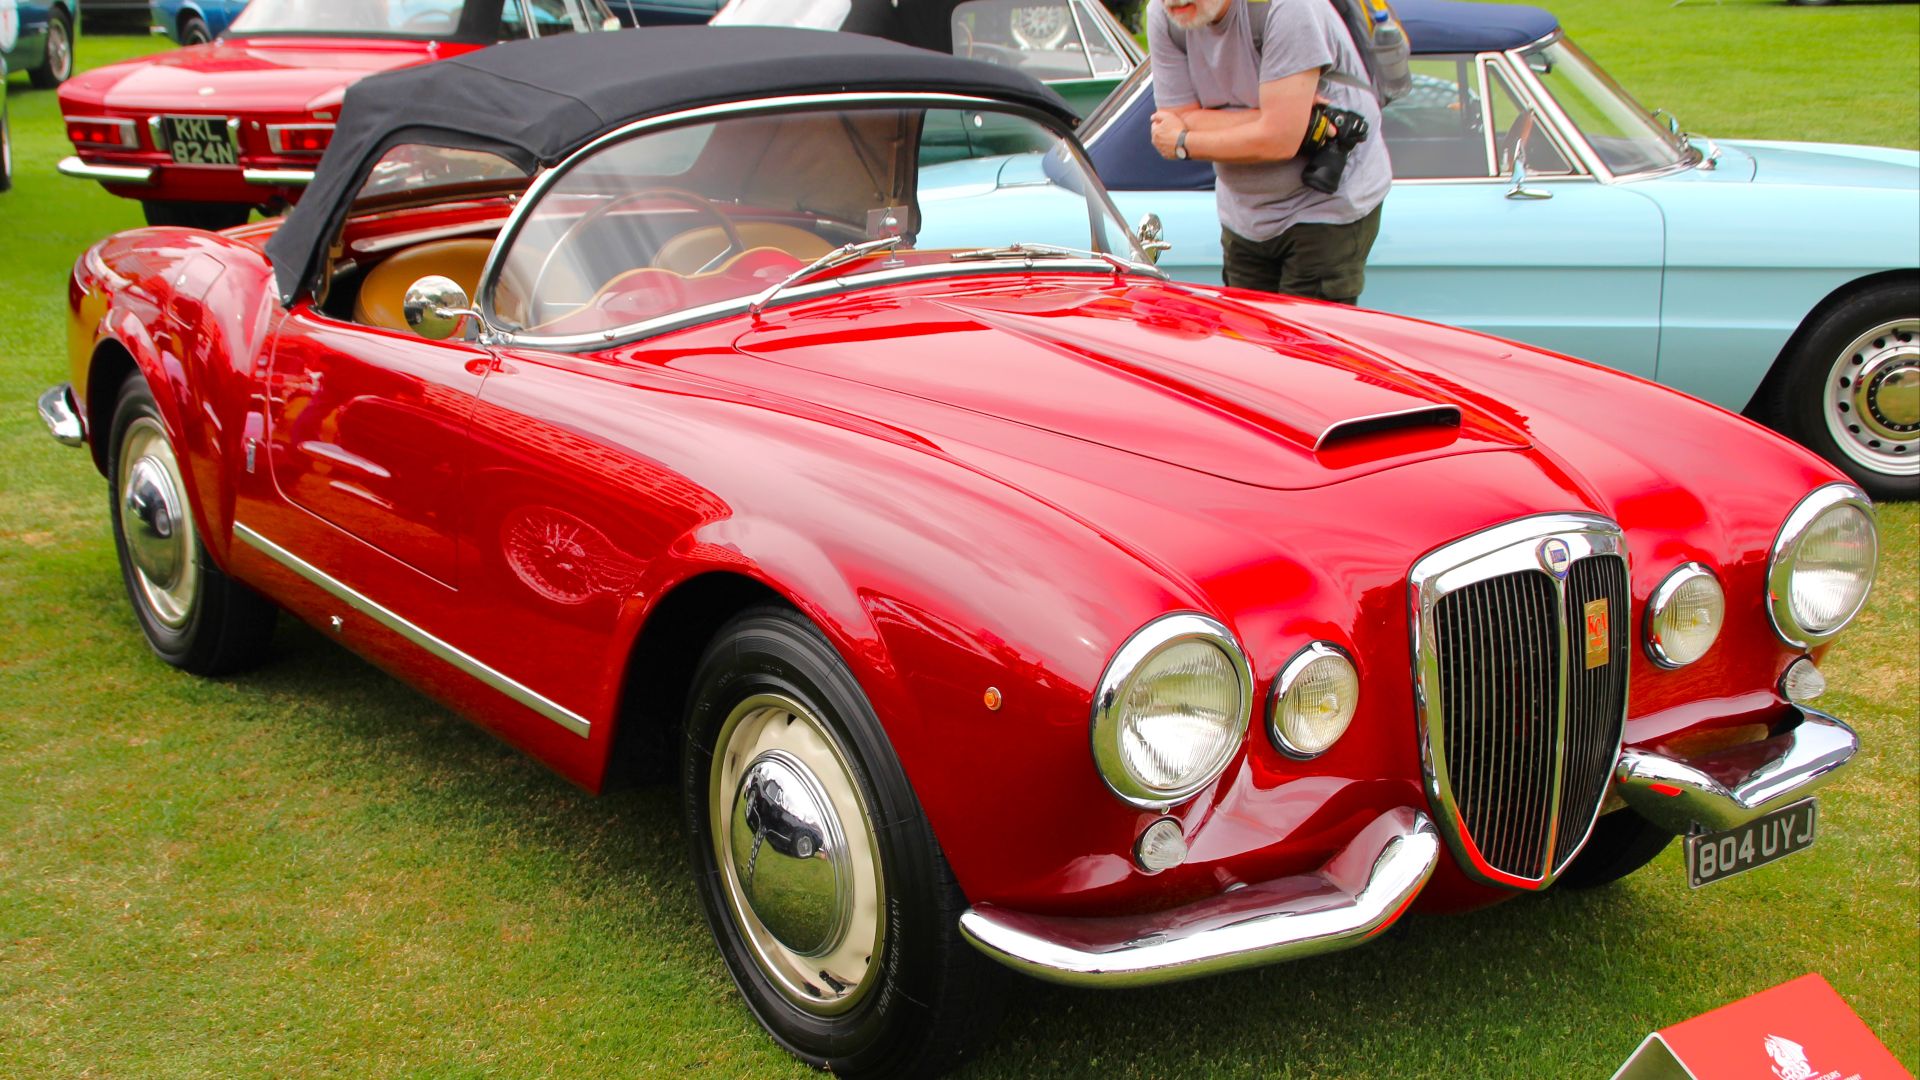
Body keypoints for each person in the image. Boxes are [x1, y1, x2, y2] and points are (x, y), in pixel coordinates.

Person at [1146, 0, 1390, 305]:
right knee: (1251, 346)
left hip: (1323, 207)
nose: (1171, 1)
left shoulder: (1288, 7)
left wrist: (1183, 142)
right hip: (1245, 215)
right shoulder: (1165, 14)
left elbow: (1279, 142)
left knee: (1306, 349)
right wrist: (1278, 119)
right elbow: (1175, 115)